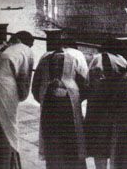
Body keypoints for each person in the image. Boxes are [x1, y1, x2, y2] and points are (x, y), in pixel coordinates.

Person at [32, 39, 89, 169]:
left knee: (52, 140)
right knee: (72, 139)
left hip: (48, 101)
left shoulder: (45, 57)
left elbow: (35, 86)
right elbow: (86, 83)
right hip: (69, 103)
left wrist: (44, 98)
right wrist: (77, 100)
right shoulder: (77, 55)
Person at [0, 31, 34, 169]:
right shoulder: (25, 50)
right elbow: (24, 76)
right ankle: (8, 164)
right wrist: (21, 95)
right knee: (9, 126)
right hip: (6, 88)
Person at [84, 42, 127, 169]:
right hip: (117, 106)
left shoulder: (98, 59)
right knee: (114, 143)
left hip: (99, 107)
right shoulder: (122, 60)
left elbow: (89, 81)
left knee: (99, 146)